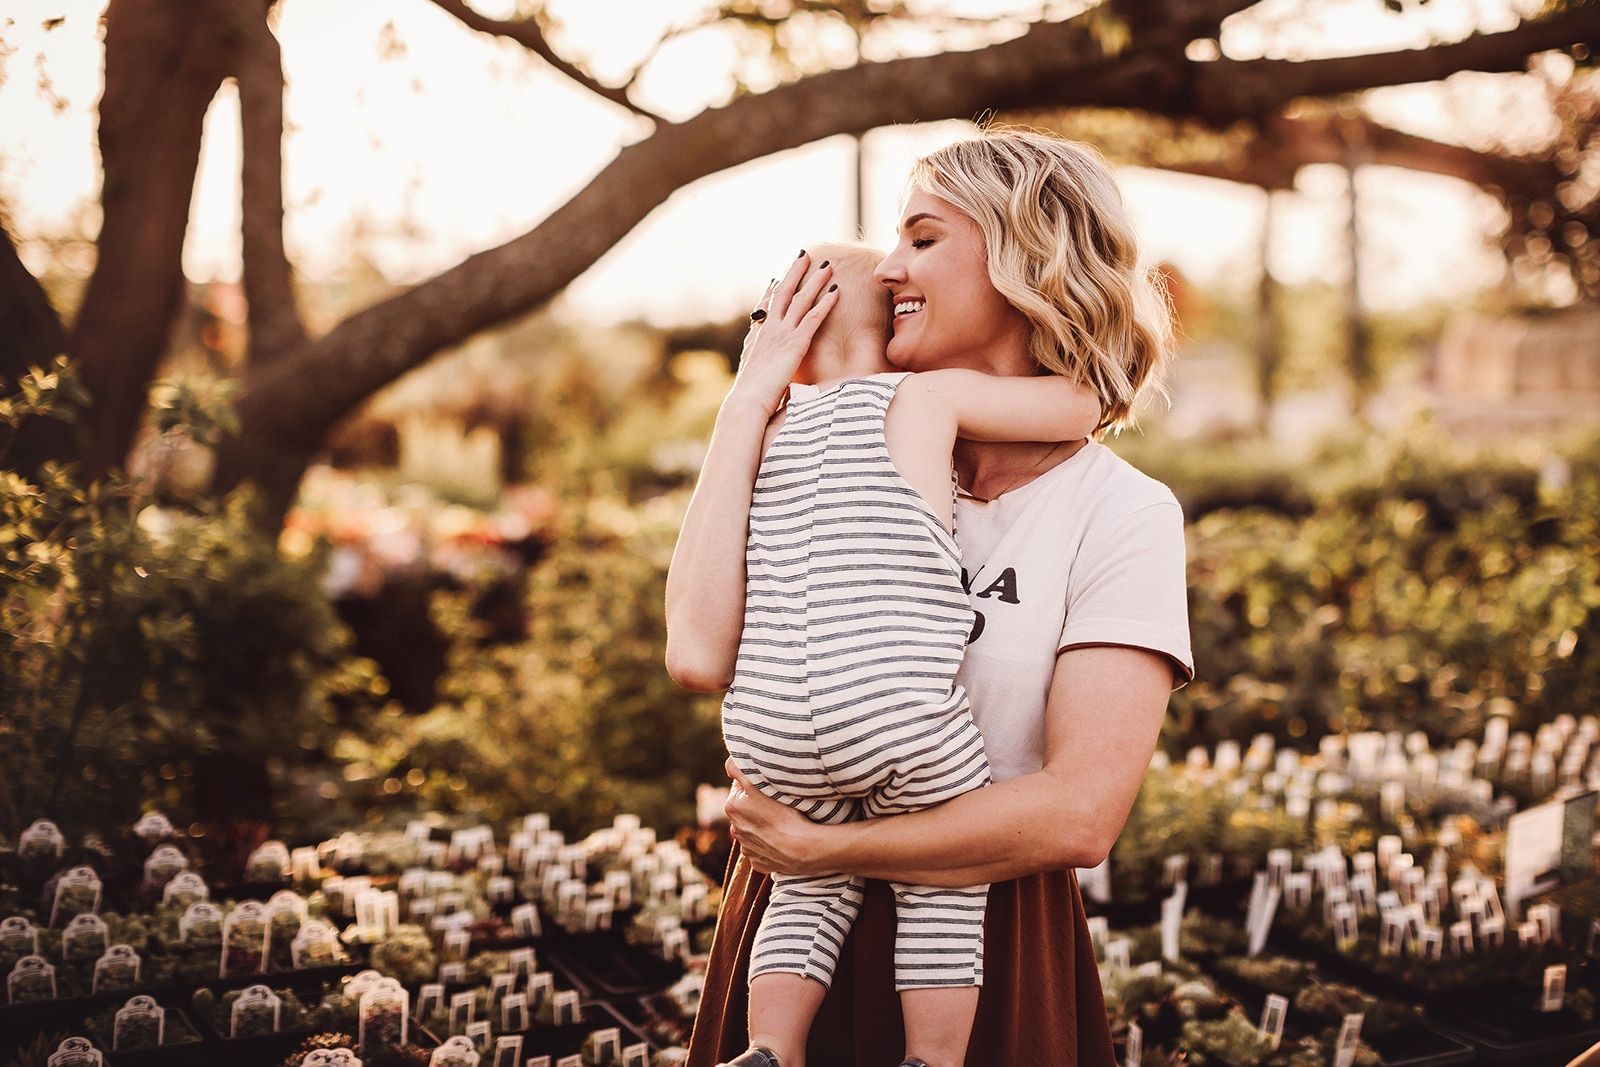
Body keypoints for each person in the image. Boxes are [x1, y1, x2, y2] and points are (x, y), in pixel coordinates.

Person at [667, 127, 1193, 1067]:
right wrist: (746, 404)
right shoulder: (836, 472)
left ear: (1028, 256)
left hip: (980, 936)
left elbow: (1079, 814)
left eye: (922, 238)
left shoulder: (1118, 512)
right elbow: (699, 653)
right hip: (790, 939)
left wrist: (831, 852)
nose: (887, 270)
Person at [696, 241, 1103, 1067]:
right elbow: (1076, 411)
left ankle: (772, 1044)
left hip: (769, 727)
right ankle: (933, 1056)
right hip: (896, 713)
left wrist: (753, 390)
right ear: (894, 323)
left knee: (806, 888)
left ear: (785, 337)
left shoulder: (762, 436)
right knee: (945, 886)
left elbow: (700, 641)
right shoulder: (923, 399)